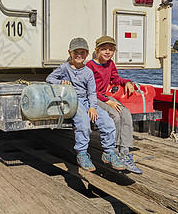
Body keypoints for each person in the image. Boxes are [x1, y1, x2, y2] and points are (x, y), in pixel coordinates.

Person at [46, 37, 125, 172]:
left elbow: (92, 92)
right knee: (83, 122)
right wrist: (61, 83)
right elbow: (50, 78)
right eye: (76, 52)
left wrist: (93, 107)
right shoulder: (64, 68)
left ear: (87, 54)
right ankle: (82, 153)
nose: (79, 56)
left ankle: (109, 152)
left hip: (87, 101)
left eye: (82, 53)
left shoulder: (88, 71)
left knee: (107, 121)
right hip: (72, 101)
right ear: (70, 53)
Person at [86, 35, 142, 174]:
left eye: (110, 49)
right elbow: (90, 89)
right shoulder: (90, 66)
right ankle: (114, 150)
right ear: (97, 50)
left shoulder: (110, 64)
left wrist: (127, 82)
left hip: (103, 96)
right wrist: (108, 101)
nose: (107, 52)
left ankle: (125, 150)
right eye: (104, 49)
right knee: (115, 115)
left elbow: (115, 78)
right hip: (93, 97)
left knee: (126, 113)